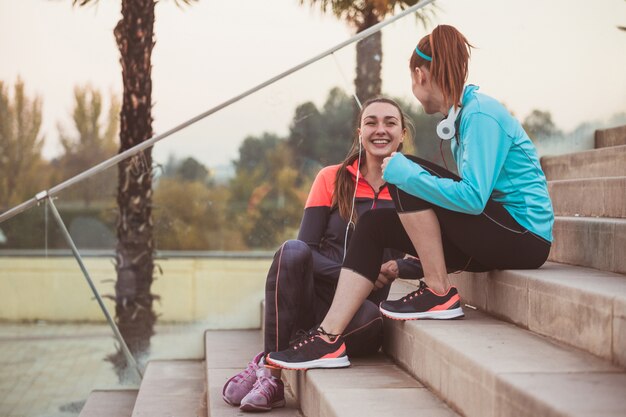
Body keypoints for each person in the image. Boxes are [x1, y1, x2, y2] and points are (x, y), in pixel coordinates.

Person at [265, 24, 554, 370]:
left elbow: (475, 198)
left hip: (525, 236)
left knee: (402, 171)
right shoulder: (465, 117)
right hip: (497, 232)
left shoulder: (481, 113)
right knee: (373, 224)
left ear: (420, 74)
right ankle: (327, 339)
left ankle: (438, 291)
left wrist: (406, 173)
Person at [222, 97, 422, 412]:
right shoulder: (331, 178)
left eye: (389, 122)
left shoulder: (414, 187)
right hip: (315, 301)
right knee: (291, 249)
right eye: (371, 122)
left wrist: (398, 266)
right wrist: (359, 274)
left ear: (402, 134)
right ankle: (272, 376)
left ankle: (269, 357)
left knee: (372, 319)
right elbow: (306, 251)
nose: (380, 129)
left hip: (360, 314)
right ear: (360, 132)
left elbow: (429, 259)